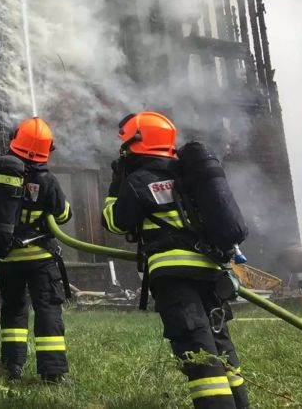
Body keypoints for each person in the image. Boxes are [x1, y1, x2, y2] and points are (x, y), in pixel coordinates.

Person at [101, 112, 249, 409]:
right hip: (211, 272)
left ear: (136, 144)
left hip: (173, 274)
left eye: (126, 146)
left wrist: (116, 184)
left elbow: (114, 223)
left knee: (197, 348)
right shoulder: (188, 173)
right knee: (220, 342)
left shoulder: (139, 180)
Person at [0, 117, 73, 382]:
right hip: (41, 258)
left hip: (10, 258)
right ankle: (52, 372)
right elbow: (64, 214)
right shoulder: (48, 181)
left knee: (13, 310)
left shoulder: (2, 176)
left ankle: (12, 368)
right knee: (47, 310)